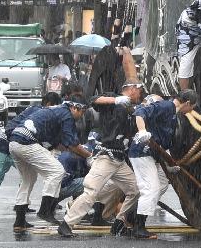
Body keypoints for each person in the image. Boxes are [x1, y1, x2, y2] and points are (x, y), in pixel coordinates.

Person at [58, 80, 145, 237]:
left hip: (119, 159)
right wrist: (116, 100)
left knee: (135, 190)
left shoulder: (133, 109)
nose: (141, 94)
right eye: (140, 91)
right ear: (132, 89)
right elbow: (94, 100)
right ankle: (66, 224)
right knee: (91, 191)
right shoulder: (113, 100)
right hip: (106, 155)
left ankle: (119, 221)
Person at [0, 91, 62, 218]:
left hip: (17, 145)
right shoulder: (41, 113)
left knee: (28, 175)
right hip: (3, 146)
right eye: (56, 107)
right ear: (49, 104)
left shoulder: (35, 109)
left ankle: (21, 205)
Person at [9, 96, 91, 232]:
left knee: (27, 180)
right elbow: (72, 144)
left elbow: (62, 144)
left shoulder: (56, 111)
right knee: (57, 171)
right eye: (82, 112)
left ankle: (19, 221)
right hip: (26, 142)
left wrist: (78, 149)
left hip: (14, 142)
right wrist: (89, 156)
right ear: (75, 108)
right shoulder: (66, 115)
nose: (82, 115)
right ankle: (45, 211)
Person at [125, 90, 198, 239]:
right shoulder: (166, 106)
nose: (191, 110)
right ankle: (139, 227)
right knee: (151, 188)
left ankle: (131, 215)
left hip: (154, 155)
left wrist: (168, 164)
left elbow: (163, 144)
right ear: (188, 103)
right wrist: (142, 131)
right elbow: (140, 112)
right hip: (141, 152)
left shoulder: (173, 114)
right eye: (192, 107)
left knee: (161, 184)